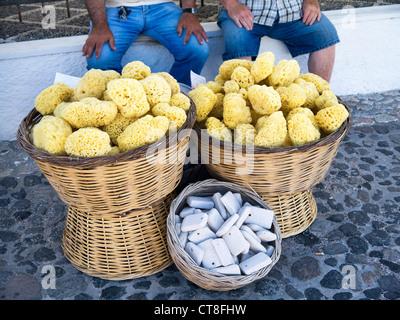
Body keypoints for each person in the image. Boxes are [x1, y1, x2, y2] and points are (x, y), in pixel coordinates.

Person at [81, 0, 209, 86]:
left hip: (162, 6)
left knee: (197, 49)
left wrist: (189, 12)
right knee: (100, 58)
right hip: (117, 8)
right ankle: (119, 105)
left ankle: (178, 99)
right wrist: (100, 26)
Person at [217, 0, 339, 82]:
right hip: (244, 11)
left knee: (325, 34)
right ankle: (243, 105)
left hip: (292, 11)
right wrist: (231, 4)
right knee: (238, 42)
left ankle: (321, 99)